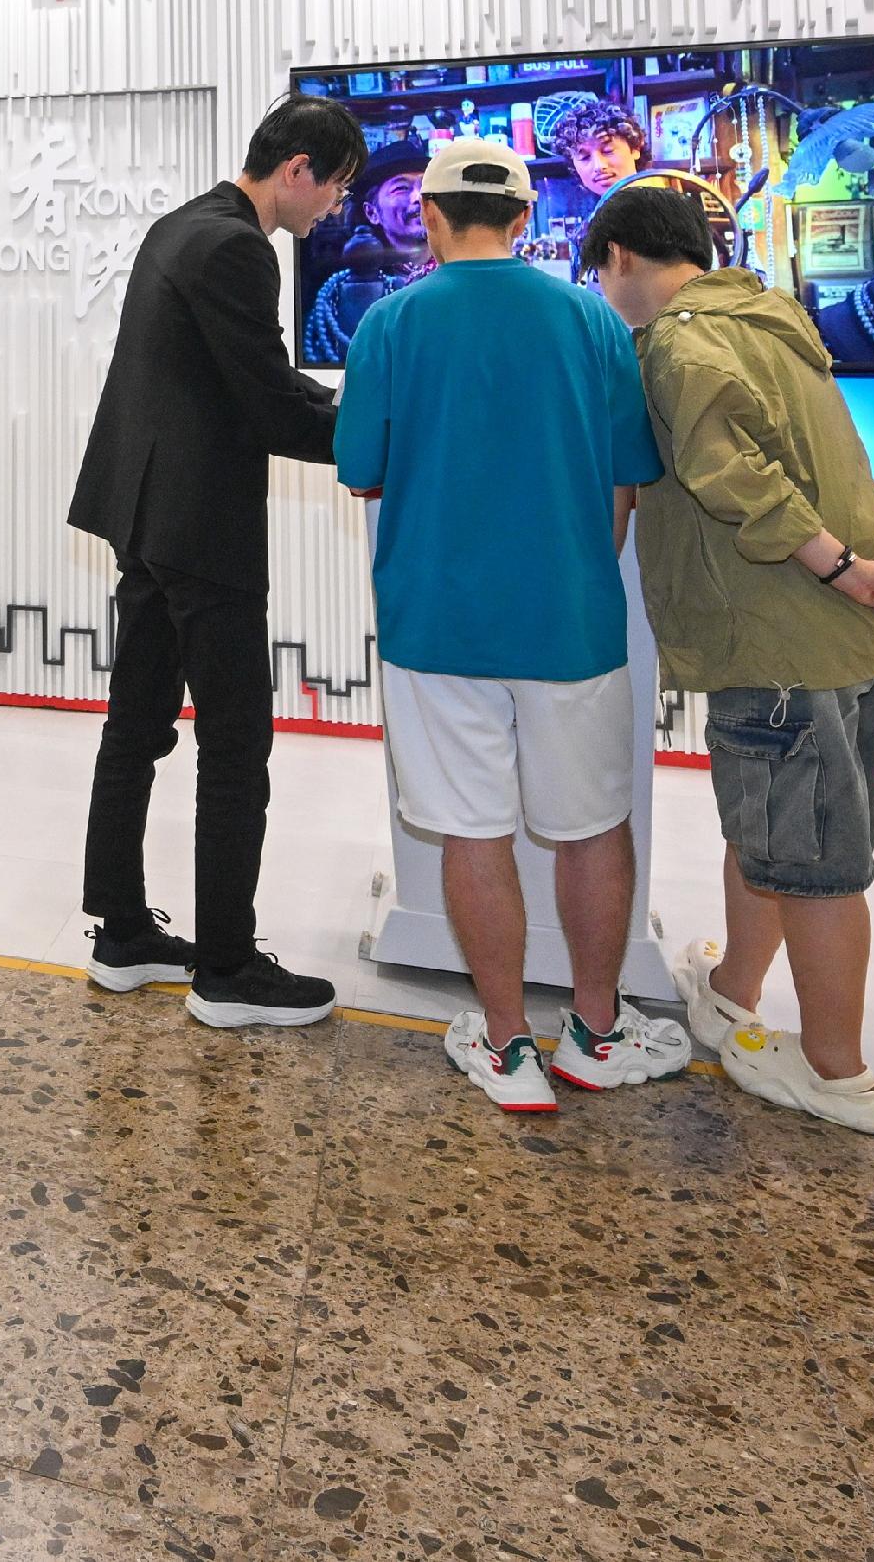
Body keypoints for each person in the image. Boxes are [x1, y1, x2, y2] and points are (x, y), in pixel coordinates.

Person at [332, 141, 684, 1114]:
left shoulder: (389, 323)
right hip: (570, 621)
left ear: (432, 215)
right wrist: (574, 561)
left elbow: (361, 467)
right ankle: (596, 1031)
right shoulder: (591, 321)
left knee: (471, 832)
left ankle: (504, 1046)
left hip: (436, 623)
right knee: (591, 828)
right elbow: (626, 477)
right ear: (525, 220)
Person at [585, 179, 874, 1137]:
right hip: (852, 635)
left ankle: (837, 1074)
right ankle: (731, 992)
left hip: (782, 630)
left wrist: (842, 567)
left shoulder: (679, 344)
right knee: (778, 829)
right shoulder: (774, 318)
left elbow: (739, 481)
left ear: (618, 259)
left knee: (815, 861)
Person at [66, 92, 363, 1028]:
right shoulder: (239, 247)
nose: (334, 211)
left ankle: (121, 933)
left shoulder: (184, 222)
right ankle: (227, 967)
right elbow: (268, 404)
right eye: (337, 189)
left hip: (146, 516)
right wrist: (378, 439)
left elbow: (234, 385)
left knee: (138, 725)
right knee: (237, 743)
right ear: (299, 169)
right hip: (199, 528)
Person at [297, 144, 432, 362]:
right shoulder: (345, 289)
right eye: (401, 189)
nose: (418, 197)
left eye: (425, 187)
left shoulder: (457, 270)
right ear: (372, 212)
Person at [528, 92, 649, 245]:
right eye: (585, 158)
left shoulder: (663, 211)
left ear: (635, 148)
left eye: (608, 151)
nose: (599, 166)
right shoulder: (588, 231)